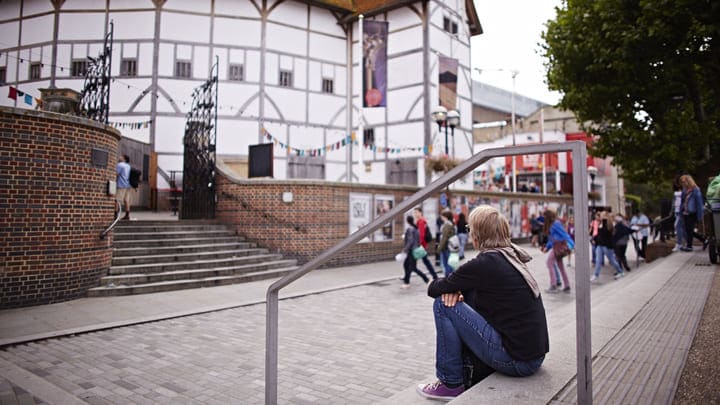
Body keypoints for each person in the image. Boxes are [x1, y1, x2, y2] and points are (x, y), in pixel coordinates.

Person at [416, 205, 548, 401]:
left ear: (478, 234)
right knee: (455, 297)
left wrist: (452, 289)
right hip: (533, 356)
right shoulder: (510, 256)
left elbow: (434, 288)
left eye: (470, 229)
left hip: (516, 360)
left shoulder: (485, 263)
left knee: (442, 304)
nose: (469, 234)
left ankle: (450, 382)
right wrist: (458, 290)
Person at [541, 209, 573, 293]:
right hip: (557, 247)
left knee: (549, 263)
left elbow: (564, 235)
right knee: (560, 266)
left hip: (558, 247)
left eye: (544, 217)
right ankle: (567, 285)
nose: (543, 218)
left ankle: (553, 285)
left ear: (548, 216)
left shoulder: (555, 224)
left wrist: (572, 244)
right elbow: (552, 239)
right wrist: (547, 247)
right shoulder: (552, 224)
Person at [591, 211, 626, 282]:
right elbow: (599, 234)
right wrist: (594, 239)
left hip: (607, 246)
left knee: (612, 260)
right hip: (600, 245)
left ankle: (620, 271)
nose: (600, 217)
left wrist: (603, 221)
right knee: (598, 260)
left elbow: (605, 233)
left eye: (602, 215)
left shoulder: (608, 224)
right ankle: (596, 275)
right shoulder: (600, 224)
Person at [679, 174, 709, 251]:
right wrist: (681, 210)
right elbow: (683, 201)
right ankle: (703, 240)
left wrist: (700, 215)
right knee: (688, 230)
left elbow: (699, 203)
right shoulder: (684, 190)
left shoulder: (695, 190)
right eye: (682, 182)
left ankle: (689, 246)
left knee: (689, 230)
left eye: (684, 182)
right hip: (685, 212)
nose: (683, 184)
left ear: (688, 181)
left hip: (692, 212)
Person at [401, 215, 430, 289]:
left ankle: (425, 279)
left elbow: (410, 241)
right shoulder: (415, 228)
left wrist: (405, 249)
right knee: (406, 265)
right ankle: (406, 279)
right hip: (415, 249)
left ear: (407, 221)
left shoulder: (410, 229)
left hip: (412, 250)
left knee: (412, 267)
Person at [413, 208, 439, 280]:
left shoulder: (421, 222)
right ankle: (434, 276)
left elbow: (421, 235)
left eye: (416, 212)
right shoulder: (419, 221)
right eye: (414, 213)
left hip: (420, 246)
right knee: (414, 262)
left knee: (422, 262)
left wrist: (418, 245)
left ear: (420, 213)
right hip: (420, 245)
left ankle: (434, 276)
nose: (415, 214)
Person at [437, 210, 457, 277]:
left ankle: (448, 278)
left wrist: (439, 248)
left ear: (445, 216)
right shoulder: (451, 223)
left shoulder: (447, 225)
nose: (441, 217)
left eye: (442, 215)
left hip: (446, 247)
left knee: (447, 264)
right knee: (450, 263)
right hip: (449, 246)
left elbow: (444, 238)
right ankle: (449, 277)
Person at [672, 176, 687, 252]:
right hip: (677, 210)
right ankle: (686, 243)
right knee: (682, 228)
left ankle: (679, 243)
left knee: (677, 226)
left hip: (681, 211)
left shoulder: (685, 189)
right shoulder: (677, 191)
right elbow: (674, 201)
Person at [116, 154, 132, 220]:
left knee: (117, 200)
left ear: (124, 159)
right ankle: (127, 215)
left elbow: (116, 173)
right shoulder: (128, 166)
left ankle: (115, 214)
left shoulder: (120, 165)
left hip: (121, 185)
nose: (119, 157)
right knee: (126, 200)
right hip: (128, 185)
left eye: (121, 156)